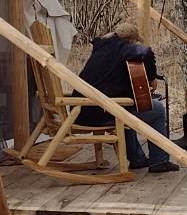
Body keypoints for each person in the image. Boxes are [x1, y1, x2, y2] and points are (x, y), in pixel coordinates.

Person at [74, 20, 180, 173]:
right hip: (100, 112)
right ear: (131, 41)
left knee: (126, 108)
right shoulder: (124, 49)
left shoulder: (102, 49)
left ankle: (136, 159)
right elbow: (146, 52)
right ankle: (159, 161)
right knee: (157, 110)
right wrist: (152, 78)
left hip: (84, 108)